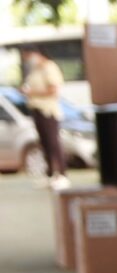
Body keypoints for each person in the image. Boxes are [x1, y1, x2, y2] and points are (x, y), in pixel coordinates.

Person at [20, 45, 68, 189]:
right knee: (45, 143)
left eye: (27, 56)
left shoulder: (49, 67)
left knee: (53, 142)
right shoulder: (35, 70)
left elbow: (53, 90)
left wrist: (32, 92)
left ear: (35, 54)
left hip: (48, 110)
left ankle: (62, 174)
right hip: (36, 109)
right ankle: (51, 174)